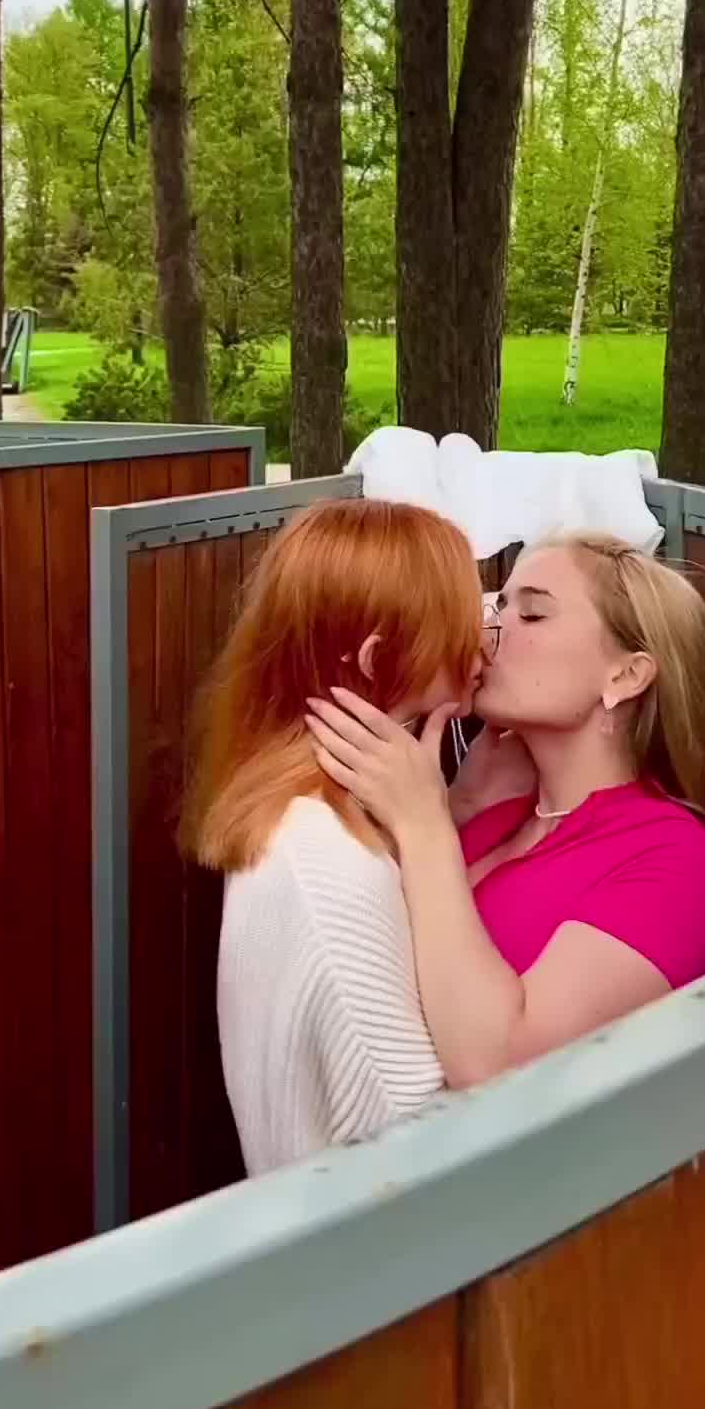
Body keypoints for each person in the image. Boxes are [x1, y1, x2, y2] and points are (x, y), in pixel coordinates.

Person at [307, 534, 705, 1094]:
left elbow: (500, 1069)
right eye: (499, 605)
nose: (486, 633)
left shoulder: (683, 865)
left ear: (625, 676)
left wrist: (425, 826)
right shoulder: (496, 810)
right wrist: (458, 807)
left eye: (533, 614)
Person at [179, 498, 489, 1175]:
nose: (484, 642)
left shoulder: (307, 809)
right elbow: (420, 1149)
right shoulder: (330, 866)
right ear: (378, 659)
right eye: (463, 620)